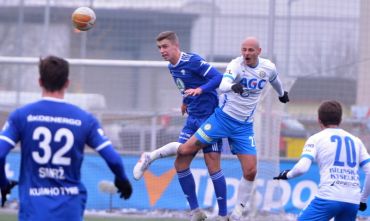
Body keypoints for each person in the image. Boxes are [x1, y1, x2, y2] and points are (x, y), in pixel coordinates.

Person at [134, 36, 289, 221]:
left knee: (251, 171)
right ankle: (150, 157)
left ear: (259, 52)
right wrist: (233, 86)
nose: (246, 53)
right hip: (221, 120)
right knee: (184, 152)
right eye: (244, 49)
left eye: (250, 50)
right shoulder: (236, 65)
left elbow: (275, 80)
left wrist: (282, 94)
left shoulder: (268, 68)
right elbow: (222, 83)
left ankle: (235, 214)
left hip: (244, 127)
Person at [0, 55, 133, 221]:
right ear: (67, 83)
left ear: (40, 81)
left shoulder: (21, 116)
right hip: (69, 210)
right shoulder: (85, 119)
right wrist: (121, 179)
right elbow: (114, 159)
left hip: (34, 210)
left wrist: (3, 183)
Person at [133, 31, 226, 221]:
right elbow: (185, 85)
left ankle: (223, 215)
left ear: (176, 46)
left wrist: (201, 89)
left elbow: (218, 78)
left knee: (212, 165)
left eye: (165, 46)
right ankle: (196, 212)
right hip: (192, 119)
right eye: (159, 48)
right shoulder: (171, 67)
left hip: (210, 120)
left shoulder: (192, 60)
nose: (162, 51)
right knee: (180, 163)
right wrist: (185, 100)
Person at [274, 100, 370, 221]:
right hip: (352, 201)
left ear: (319, 120)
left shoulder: (316, 138)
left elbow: (302, 168)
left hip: (329, 197)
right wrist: (363, 200)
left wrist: (287, 174)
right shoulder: (356, 141)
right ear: (340, 120)